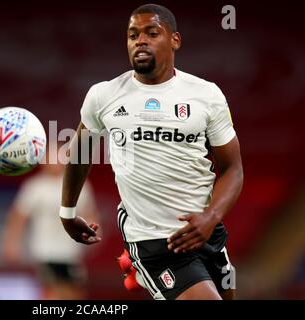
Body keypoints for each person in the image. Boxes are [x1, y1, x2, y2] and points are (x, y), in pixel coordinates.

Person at [59, 4, 244, 300]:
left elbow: (233, 169)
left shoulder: (206, 95)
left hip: (207, 235)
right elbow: (80, 151)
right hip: (154, 243)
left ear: (175, 40)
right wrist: (67, 213)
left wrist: (211, 217)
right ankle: (141, 267)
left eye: (151, 33)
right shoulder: (104, 95)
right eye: (133, 35)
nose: (140, 40)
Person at [3, 153, 100, 300]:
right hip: (44, 250)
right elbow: (18, 217)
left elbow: (90, 213)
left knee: (74, 292)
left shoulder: (79, 184)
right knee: (52, 292)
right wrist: (12, 243)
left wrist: (93, 233)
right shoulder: (35, 187)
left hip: (71, 251)